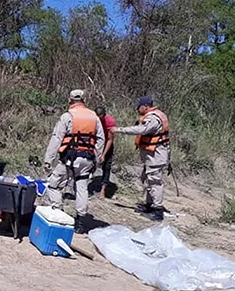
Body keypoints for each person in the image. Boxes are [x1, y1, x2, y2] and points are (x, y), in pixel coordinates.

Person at [42, 90, 105, 221]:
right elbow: (101, 139)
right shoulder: (94, 117)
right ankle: (81, 221)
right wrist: (97, 158)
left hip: (70, 159)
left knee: (54, 185)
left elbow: (56, 138)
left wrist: (48, 160)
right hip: (87, 158)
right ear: (84, 100)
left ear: (69, 100)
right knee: (82, 188)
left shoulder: (67, 116)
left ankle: (58, 213)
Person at [112, 96, 170, 220]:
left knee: (154, 181)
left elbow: (141, 130)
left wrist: (119, 130)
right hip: (152, 156)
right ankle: (149, 205)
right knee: (147, 179)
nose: (137, 109)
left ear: (146, 106)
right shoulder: (154, 116)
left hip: (156, 156)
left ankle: (158, 209)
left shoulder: (153, 118)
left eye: (139, 107)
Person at [95, 106, 116, 198]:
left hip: (107, 144)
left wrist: (103, 154)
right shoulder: (92, 119)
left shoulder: (110, 121)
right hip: (95, 143)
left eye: (100, 118)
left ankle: (103, 190)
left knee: (106, 167)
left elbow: (110, 140)